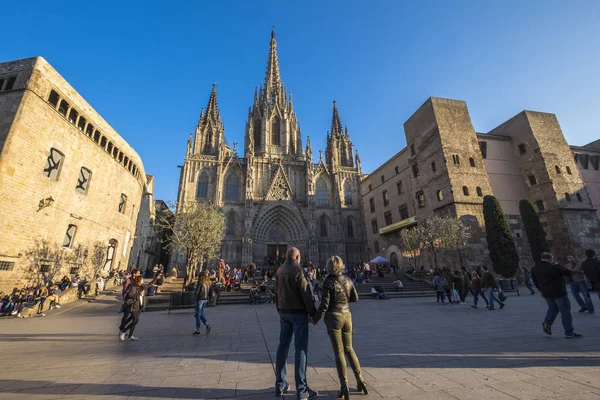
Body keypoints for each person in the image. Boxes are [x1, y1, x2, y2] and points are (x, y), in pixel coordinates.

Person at [312, 256, 368, 399]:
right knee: (349, 349)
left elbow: (324, 305)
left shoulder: (328, 281)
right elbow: (355, 298)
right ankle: (360, 380)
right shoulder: (348, 280)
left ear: (329, 267)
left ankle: (344, 387)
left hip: (334, 318)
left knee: (339, 352)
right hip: (347, 316)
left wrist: (314, 319)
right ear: (341, 266)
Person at [273, 247, 318, 400]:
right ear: (297, 256)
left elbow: (276, 292)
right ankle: (302, 391)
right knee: (300, 349)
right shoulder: (298, 270)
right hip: (298, 313)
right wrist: (312, 313)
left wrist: (279, 309)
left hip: (284, 312)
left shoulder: (279, 270)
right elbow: (307, 293)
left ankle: (280, 385)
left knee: (282, 347)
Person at [531, 252, 583, 339]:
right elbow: (567, 272)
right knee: (565, 311)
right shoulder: (554, 267)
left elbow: (534, 280)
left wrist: (540, 289)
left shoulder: (534, 268)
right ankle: (569, 332)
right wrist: (557, 264)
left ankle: (547, 323)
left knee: (553, 308)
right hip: (558, 293)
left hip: (546, 293)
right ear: (550, 258)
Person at [119, 275, 144, 341]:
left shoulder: (141, 286)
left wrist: (156, 278)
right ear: (139, 280)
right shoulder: (133, 286)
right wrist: (139, 294)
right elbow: (130, 295)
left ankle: (130, 335)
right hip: (133, 305)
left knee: (133, 319)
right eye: (142, 279)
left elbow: (149, 285)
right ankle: (123, 331)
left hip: (138, 305)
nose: (143, 281)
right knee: (136, 320)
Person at [192, 270, 213, 334]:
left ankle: (198, 329)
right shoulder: (208, 282)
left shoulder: (200, 282)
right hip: (205, 300)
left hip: (200, 299)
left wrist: (195, 298)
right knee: (200, 313)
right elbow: (210, 292)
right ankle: (207, 325)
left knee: (197, 314)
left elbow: (197, 291)